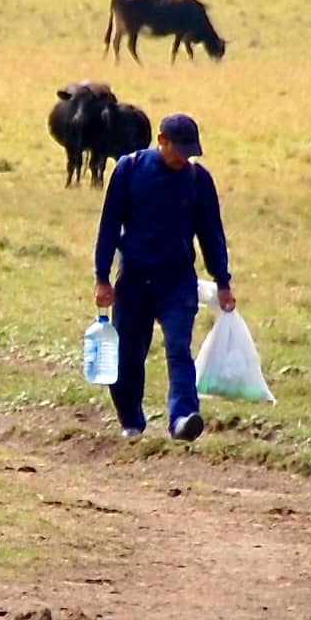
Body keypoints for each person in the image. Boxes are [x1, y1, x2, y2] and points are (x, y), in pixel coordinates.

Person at [93, 112, 234, 442]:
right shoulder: (129, 170)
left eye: (190, 152)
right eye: (179, 150)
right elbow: (109, 225)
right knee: (128, 356)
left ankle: (183, 417)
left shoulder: (198, 180)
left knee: (178, 350)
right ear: (161, 141)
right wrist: (102, 277)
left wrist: (223, 281)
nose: (184, 158)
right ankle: (131, 421)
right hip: (133, 282)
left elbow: (211, 233)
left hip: (177, 282)